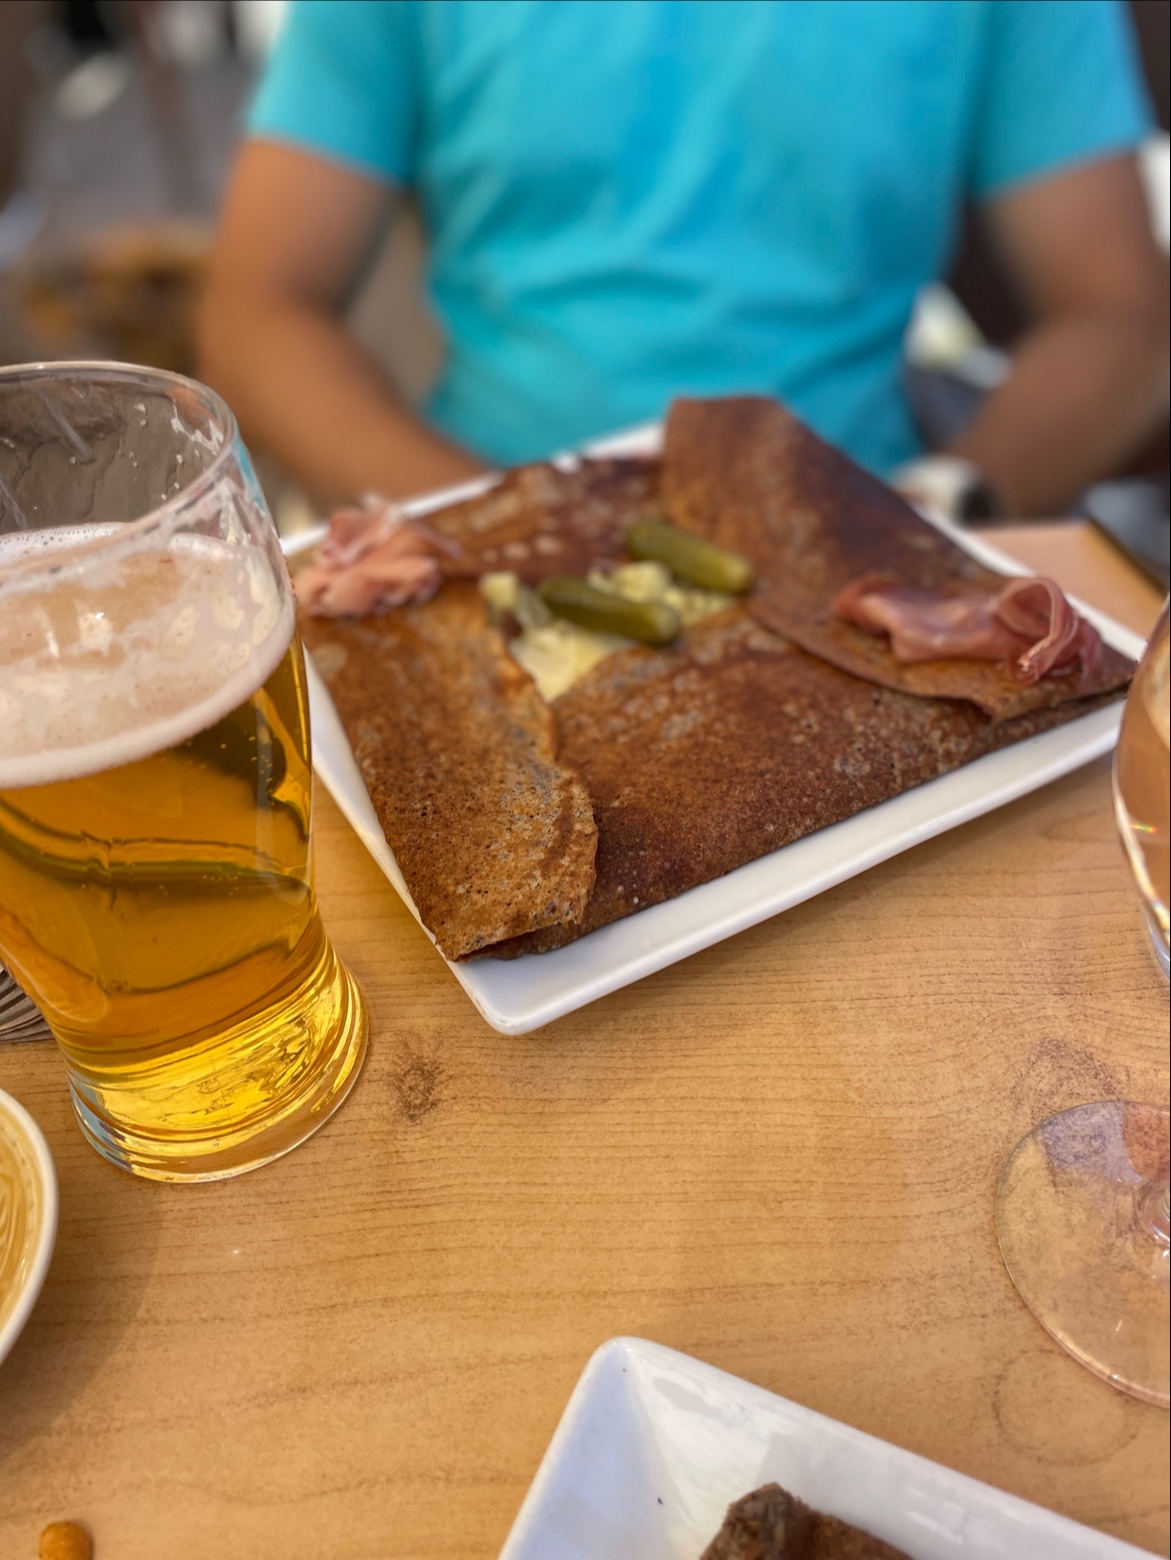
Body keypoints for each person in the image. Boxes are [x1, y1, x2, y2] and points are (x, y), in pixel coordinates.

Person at [200, 0, 1169, 517]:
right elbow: (259, 313)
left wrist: (941, 511)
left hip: (864, 521)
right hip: (477, 499)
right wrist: (486, 524)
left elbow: (1121, 314)